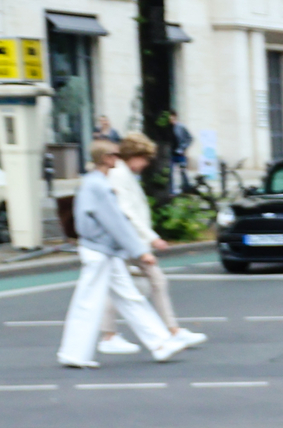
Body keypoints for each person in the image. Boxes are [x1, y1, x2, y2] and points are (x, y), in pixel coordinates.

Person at [58, 141, 186, 368]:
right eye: (115, 155)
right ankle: (74, 353)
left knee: (128, 298)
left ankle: (160, 343)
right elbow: (115, 222)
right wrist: (140, 251)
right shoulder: (98, 186)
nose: (118, 158)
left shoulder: (92, 183)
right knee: (89, 302)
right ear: (106, 158)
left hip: (103, 250)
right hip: (100, 250)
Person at [97, 133, 202, 354]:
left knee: (140, 284)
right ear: (133, 156)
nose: (145, 164)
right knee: (140, 283)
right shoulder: (118, 175)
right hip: (126, 242)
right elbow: (127, 213)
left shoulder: (124, 175)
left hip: (129, 241)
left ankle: (115, 334)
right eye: (144, 159)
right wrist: (150, 238)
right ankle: (113, 335)